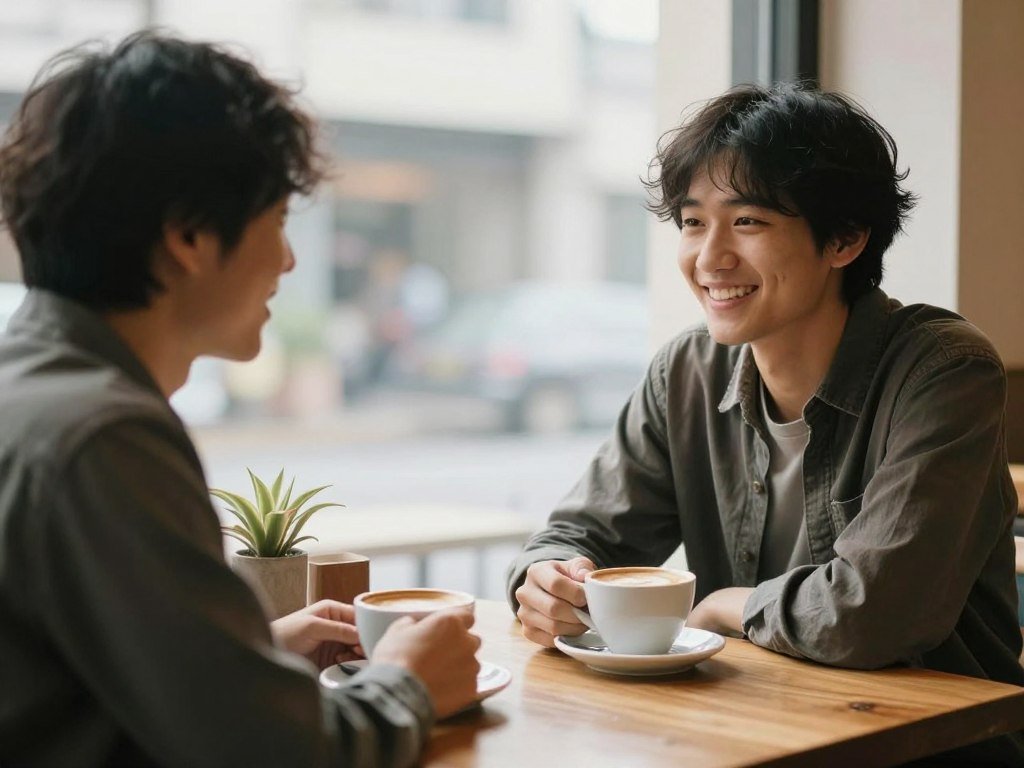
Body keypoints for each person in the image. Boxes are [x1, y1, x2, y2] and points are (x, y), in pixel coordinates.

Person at [0, 32, 480, 767]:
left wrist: (245, 658)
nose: (287, 261)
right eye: (279, 222)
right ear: (189, 233)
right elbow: (270, 755)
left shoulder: (31, 389)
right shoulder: (102, 435)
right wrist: (405, 686)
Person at [507, 83, 1024, 764]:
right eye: (693, 223)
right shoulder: (685, 373)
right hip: (757, 737)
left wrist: (727, 605)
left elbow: (872, 617)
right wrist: (547, 581)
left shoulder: (943, 370)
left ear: (845, 237)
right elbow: (578, 536)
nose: (709, 258)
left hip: (933, 751)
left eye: (747, 222)